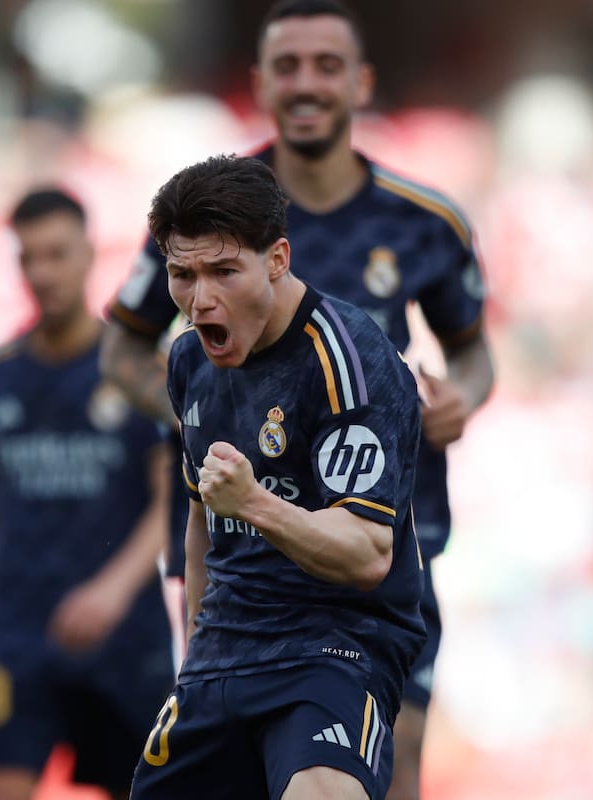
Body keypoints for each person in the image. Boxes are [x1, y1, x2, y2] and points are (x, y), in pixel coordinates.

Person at [102, 2, 495, 796]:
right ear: (260, 83)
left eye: (326, 64)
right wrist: (222, 432)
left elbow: (473, 358)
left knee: (387, 764)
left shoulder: (422, 228)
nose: (306, 83)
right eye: (288, 65)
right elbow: (125, 355)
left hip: (364, 574)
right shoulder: (200, 219)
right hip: (241, 604)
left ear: (361, 83)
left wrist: (463, 401)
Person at [128, 154, 426, 800]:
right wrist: (192, 662)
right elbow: (202, 524)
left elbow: (369, 552)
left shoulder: (347, 358)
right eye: (183, 275)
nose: (199, 299)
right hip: (223, 651)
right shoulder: (189, 363)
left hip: (335, 648)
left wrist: (257, 503)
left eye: (223, 272)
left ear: (278, 260)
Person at [0, 189, 175, 800]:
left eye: (57, 254)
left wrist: (112, 590)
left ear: (87, 254)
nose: (43, 273)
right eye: (29, 258)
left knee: (146, 788)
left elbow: (170, 501)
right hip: (17, 634)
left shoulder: (136, 370)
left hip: (122, 634)